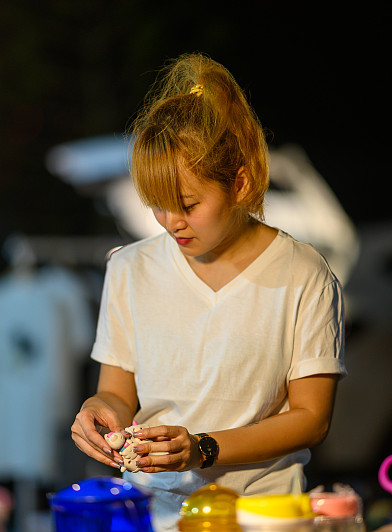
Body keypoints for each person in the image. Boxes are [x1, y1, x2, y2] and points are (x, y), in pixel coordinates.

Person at [71, 52, 346, 532]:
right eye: (157, 204)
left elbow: (310, 417)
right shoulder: (130, 268)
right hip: (154, 514)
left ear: (239, 183)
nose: (171, 222)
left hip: (262, 516)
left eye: (188, 204)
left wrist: (203, 447)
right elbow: (116, 392)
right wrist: (100, 413)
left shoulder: (304, 273)